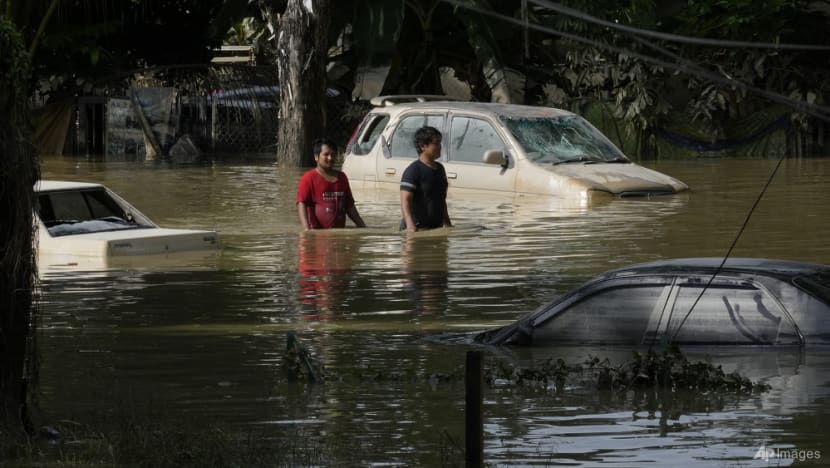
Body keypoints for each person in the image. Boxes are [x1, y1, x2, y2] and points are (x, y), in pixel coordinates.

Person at [297, 138, 366, 230]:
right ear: (316, 157)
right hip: (317, 234)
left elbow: (349, 206)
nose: (330, 158)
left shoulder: (342, 178)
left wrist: (362, 226)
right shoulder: (308, 178)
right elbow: (301, 203)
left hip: (339, 235)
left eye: (333, 155)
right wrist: (306, 230)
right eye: (326, 154)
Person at [400, 126, 453, 232]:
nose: (440, 147)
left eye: (440, 143)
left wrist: (447, 224)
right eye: (436, 143)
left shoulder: (440, 169)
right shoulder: (413, 171)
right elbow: (405, 200)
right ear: (423, 146)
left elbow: (441, 200)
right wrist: (410, 226)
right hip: (417, 230)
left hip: (435, 229)